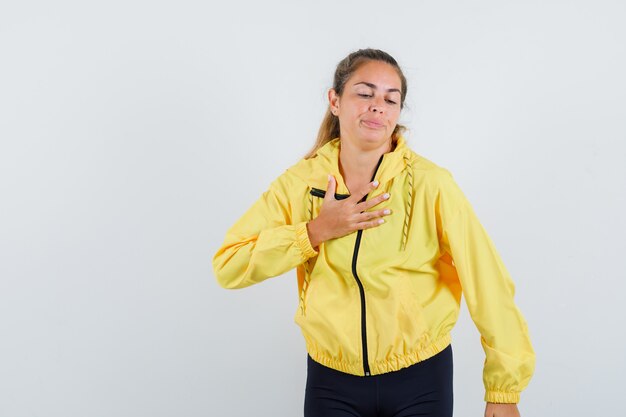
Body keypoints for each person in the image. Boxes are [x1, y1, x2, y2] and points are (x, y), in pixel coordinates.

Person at [212, 48, 535, 417]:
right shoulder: (301, 184)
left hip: (421, 379)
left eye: (390, 98)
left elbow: (488, 283)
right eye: (364, 94)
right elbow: (229, 264)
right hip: (331, 382)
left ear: (398, 111)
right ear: (335, 101)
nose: (377, 106)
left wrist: (503, 389)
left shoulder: (432, 184)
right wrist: (316, 230)